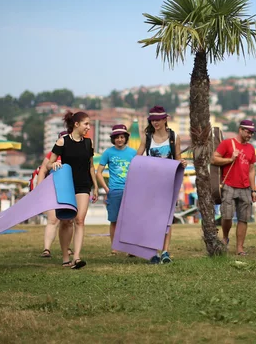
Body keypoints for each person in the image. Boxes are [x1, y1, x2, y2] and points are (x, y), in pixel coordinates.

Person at [47, 111, 99, 270]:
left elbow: (91, 166)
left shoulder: (88, 143)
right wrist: (54, 164)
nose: (88, 127)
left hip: (84, 185)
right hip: (66, 186)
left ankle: (76, 257)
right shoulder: (63, 142)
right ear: (76, 124)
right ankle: (65, 257)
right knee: (66, 221)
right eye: (86, 124)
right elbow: (49, 163)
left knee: (80, 220)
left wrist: (95, 186)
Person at [136, 106, 187, 264]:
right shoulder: (147, 137)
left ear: (165, 119)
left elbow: (177, 158)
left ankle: (165, 251)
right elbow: (138, 156)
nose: (155, 122)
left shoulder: (174, 137)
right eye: (152, 120)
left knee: (166, 219)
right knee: (152, 218)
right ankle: (153, 252)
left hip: (169, 182)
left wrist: (182, 163)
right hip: (151, 183)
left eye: (158, 119)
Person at [212, 120, 256, 256]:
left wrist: (254, 190)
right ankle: (225, 237)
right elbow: (214, 159)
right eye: (248, 132)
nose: (250, 135)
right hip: (229, 185)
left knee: (244, 219)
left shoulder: (251, 148)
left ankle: (240, 248)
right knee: (226, 216)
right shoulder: (227, 143)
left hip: (245, 187)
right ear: (240, 130)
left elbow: (251, 170)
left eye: (252, 133)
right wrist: (230, 159)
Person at [96, 124, 137, 254]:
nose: (119, 139)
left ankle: (130, 247)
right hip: (114, 190)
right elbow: (98, 172)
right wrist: (106, 189)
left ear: (125, 138)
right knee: (114, 220)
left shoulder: (133, 152)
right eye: (117, 137)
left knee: (129, 220)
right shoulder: (108, 152)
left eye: (121, 137)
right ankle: (115, 247)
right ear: (113, 139)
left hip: (130, 190)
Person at [34, 131, 72, 260]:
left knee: (68, 221)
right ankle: (47, 249)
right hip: (52, 190)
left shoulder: (75, 153)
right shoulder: (52, 154)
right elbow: (43, 170)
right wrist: (39, 189)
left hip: (69, 192)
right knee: (53, 219)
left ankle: (66, 248)